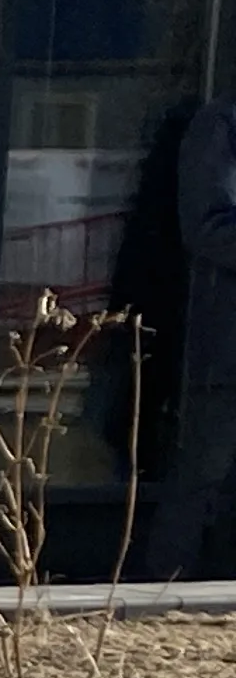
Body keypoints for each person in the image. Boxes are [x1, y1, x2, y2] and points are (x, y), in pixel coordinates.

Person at [126, 90, 236, 580]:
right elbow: (207, 227)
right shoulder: (221, 124)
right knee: (202, 479)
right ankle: (164, 598)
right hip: (228, 348)